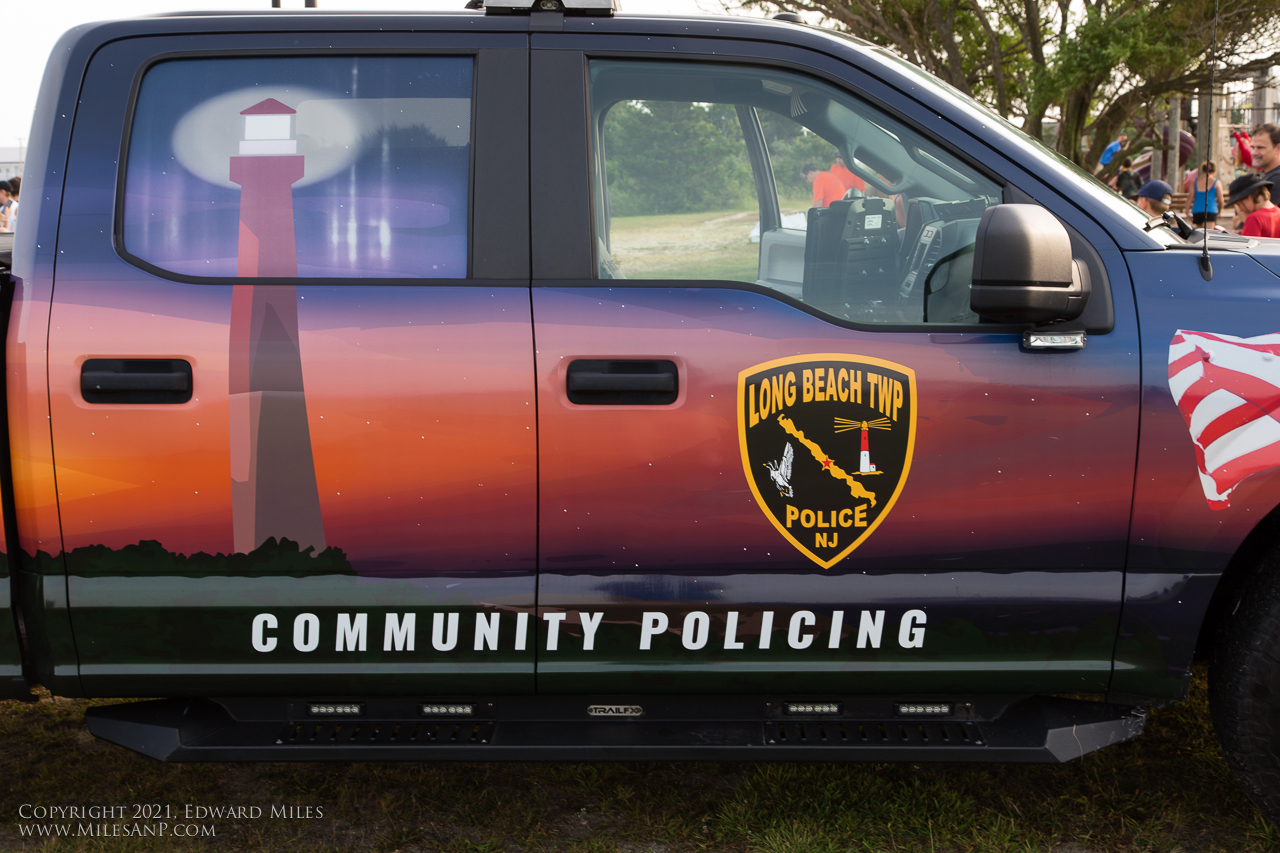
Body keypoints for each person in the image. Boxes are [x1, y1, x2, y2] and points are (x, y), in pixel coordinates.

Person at [1227, 173, 1280, 238]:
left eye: (1239, 204)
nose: (1240, 209)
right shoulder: (1278, 212)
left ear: (1248, 197)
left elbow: (1248, 244)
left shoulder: (1254, 218)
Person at [1190, 160, 1225, 227]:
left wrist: (1186, 212)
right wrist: (1220, 211)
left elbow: (1190, 198)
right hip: (1210, 210)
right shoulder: (1216, 182)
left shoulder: (1195, 182)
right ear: (1215, 171)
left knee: (1200, 232)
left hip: (1197, 210)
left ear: (1203, 170)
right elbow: (1220, 200)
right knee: (1208, 232)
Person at [1252, 123, 1280, 188]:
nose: (1254, 153)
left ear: (1278, 148)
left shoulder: (1276, 181)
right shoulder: (1271, 176)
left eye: (1260, 148)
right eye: (1252, 147)